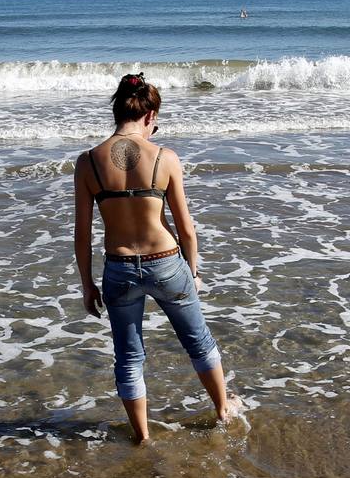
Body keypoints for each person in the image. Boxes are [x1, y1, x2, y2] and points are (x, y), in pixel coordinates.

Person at [73, 72, 240, 443]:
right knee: (199, 343)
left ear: (117, 112)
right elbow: (187, 229)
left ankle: (143, 436)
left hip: (118, 268)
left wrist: (87, 284)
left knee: (129, 359)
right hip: (166, 261)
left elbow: (82, 234)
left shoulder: (88, 162)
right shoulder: (164, 157)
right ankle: (222, 411)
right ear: (150, 116)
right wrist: (193, 273)